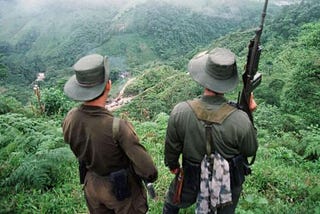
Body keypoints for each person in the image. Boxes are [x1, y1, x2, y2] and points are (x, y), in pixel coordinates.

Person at [162, 48, 258, 214]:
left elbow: (172, 148)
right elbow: (250, 150)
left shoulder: (180, 111)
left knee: (172, 202)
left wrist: (174, 166)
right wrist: (248, 116)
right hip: (226, 180)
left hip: (191, 174)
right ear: (228, 83)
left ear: (204, 78)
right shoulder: (240, 119)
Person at [62, 54, 158, 214]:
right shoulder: (117, 126)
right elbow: (148, 169)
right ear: (108, 85)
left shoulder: (71, 117)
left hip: (91, 185)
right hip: (121, 190)